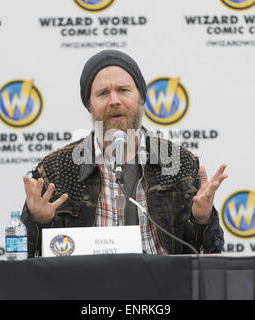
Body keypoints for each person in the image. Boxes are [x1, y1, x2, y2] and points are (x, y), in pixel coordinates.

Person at [21, 49, 228, 258]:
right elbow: (29, 264)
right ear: (89, 105)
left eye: (123, 90)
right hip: (85, 286)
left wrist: (203, 220)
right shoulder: (56, 169)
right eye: (103, 93)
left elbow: (207, 257)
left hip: (163, 286)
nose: (114, 101)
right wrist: (37, 221)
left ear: (140, 98)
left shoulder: (179, 162)